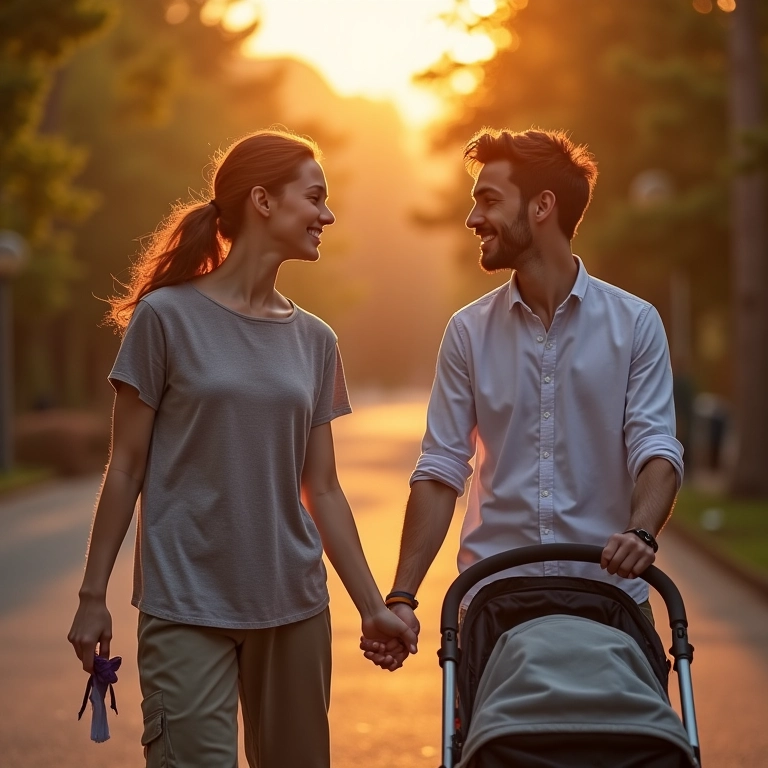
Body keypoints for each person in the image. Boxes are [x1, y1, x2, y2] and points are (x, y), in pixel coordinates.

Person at [67, 128, 417, 768]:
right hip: (185, 603)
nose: (327, 215)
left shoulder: (315, 340)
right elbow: (125, 469)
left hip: (294, 606)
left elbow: (325, 489)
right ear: (263, 200)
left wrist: (372, 608)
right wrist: (93, 598)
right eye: (314, 197)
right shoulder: (165, 318)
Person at [362, 127, 683, 670]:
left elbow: (656, 448)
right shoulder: (467, 332)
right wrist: (403, 596)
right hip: (495, 606)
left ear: (542, 206)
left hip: (609, 603)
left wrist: (641, 531)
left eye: (489, 200)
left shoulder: (635, 324)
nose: (473, 218)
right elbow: (441, 469)